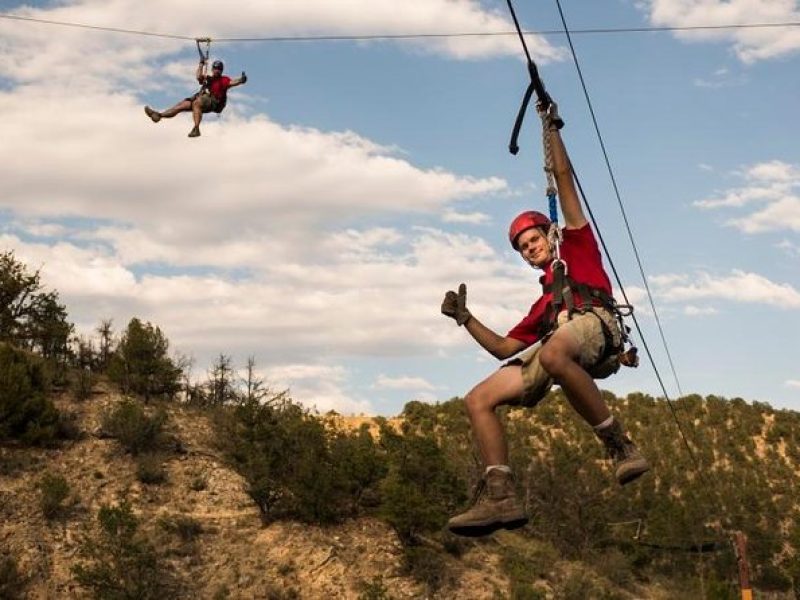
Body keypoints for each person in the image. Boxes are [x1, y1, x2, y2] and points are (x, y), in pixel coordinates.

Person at [441, 105, 650, 537]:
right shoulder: (544, 305)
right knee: (479, 398)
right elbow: (504, 348)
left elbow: (564, 179)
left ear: (549, 234)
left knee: (555, 352)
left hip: (597, 325)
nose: (529, 248)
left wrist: (550, 127)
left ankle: (618, 444)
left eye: (534, 239)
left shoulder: (576, 244)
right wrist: (466, 319)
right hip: (563, 341)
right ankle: (500, 494)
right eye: (522, 247)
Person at [144, 58, 247, 138]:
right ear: (212, 69)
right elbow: (198, 77)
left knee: (197, 103)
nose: (217, 71)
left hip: (214, 102)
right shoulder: (208, 79)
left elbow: (232, 82)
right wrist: (201, 64)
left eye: (219, 69)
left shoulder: (223, 80)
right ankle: (158, 115)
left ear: (221, 70)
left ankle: (196, 129)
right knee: (181, 105)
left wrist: (241, 80)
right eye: (215, 68)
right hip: (202, 97)